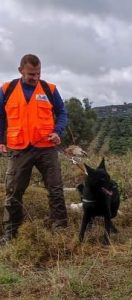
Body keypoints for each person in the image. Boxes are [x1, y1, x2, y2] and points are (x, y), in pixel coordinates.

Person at [0, 54, 68, 245]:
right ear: (21, 70)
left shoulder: (49, 89)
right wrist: (1, 140)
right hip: (19, 148)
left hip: (46, 147)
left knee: (55, 189)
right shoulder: (7, 89)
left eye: (38, 73)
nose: (35, 77)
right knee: (13, 192)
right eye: (31, 74)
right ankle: (11, 234)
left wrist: (57, 131)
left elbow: (62, 113)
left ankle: (60, 230)